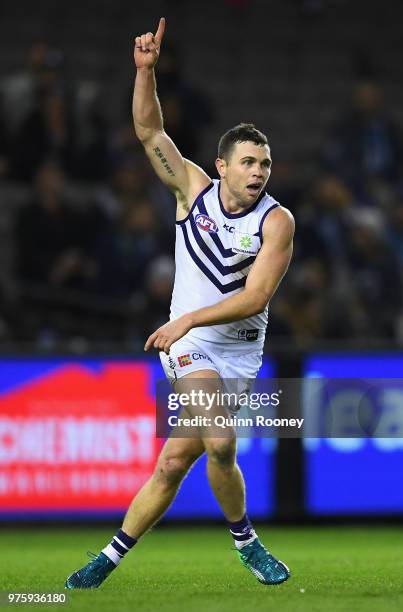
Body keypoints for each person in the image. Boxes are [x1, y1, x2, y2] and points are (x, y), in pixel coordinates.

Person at [65, 17, 294, 589]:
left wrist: (188, 316)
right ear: (221, 166)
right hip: (189, 346)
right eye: (248, 162)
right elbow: (149, 133)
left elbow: (257, 297)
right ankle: (248, 543)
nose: (258, 172)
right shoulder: (192, 191)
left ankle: (109, 557)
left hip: (237, 351)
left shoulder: (277, 222)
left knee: (174, 463)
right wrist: (145, 73)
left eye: (264, 164)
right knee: (220, 440)